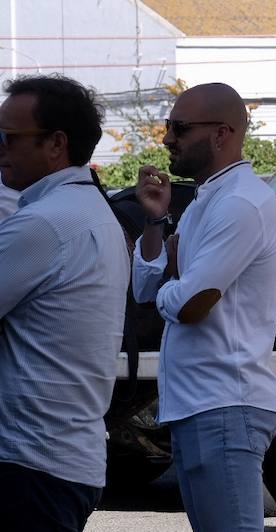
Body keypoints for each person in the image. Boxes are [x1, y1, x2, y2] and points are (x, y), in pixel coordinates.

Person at [132, 83, 276, 532]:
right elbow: (145, 287)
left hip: (225, 406)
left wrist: (176, 282)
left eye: (179, 128)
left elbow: (193, 303)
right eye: (168, 127)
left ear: (221, 134)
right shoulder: (208, 199)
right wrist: (155, 221)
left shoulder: (238, 202)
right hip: (202, 405)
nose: (167, 140)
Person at [0, 76, 129, 531]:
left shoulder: (45, 222)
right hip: (61, 459)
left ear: (56, 143)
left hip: (30, 464)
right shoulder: (89, 211)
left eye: (9, 138)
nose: (1, 149)